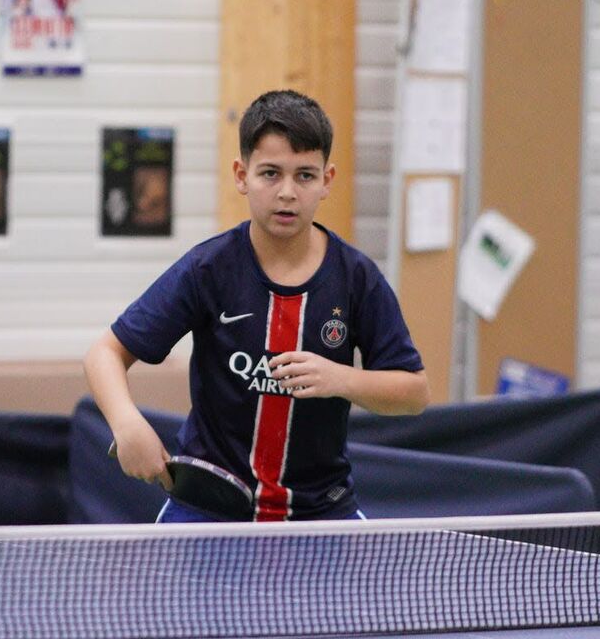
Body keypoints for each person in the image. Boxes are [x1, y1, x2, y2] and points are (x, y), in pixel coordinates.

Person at [85, 88, 428, 525]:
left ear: (327, 180)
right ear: (241, 175)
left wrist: (341, 379)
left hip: (321, 513)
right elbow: (104, 353)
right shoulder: (207, 269)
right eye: (270, 173)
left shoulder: (357, 278)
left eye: (305, 176)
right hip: (207, 510)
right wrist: (126, 422)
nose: (287, 192)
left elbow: (415, 393)